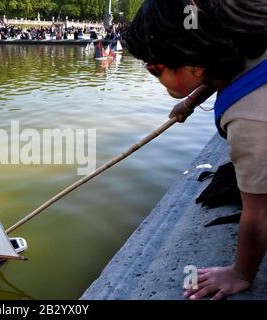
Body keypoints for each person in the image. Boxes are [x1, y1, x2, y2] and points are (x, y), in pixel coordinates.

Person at [126, 0, 267, 300]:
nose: (152, 74)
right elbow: (224, 69)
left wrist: (240, 273)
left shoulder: (249, 118)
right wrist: (191, 101)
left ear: (193, 65)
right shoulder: (241, 54)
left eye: (154, 68)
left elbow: (259, 213)